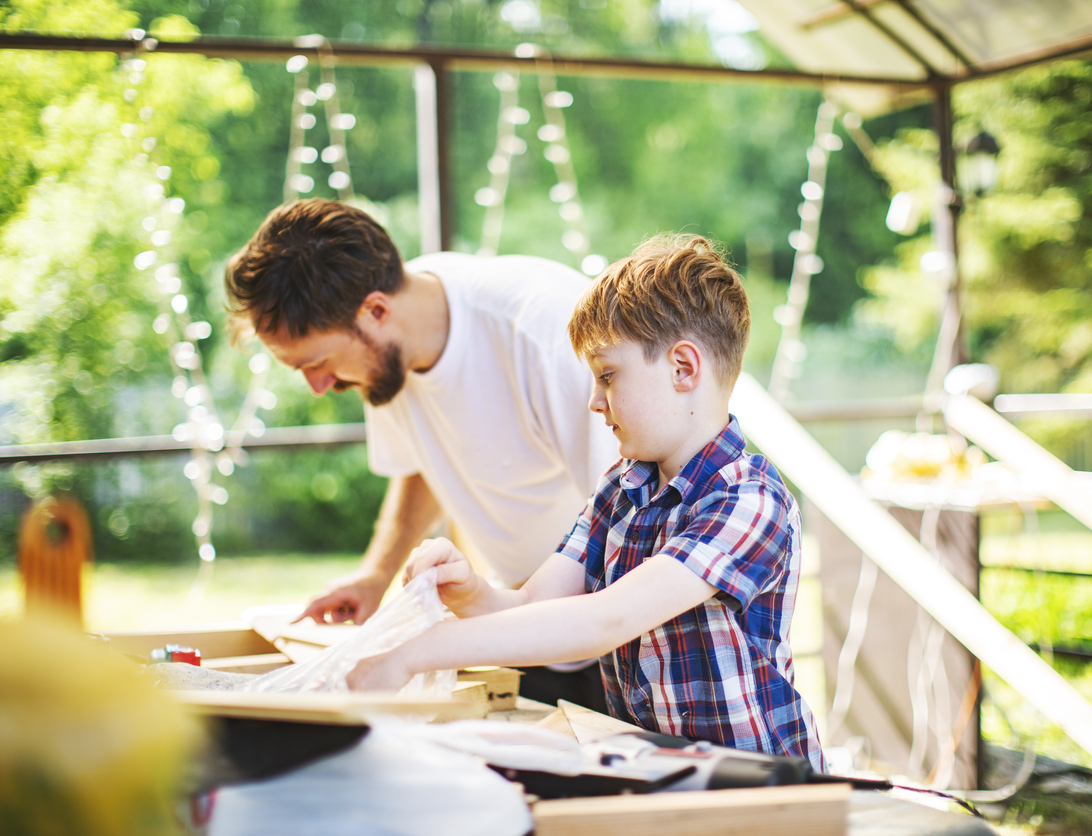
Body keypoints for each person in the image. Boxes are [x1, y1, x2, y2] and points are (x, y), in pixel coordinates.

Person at [346, 234, 824, 768]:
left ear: (683, 368)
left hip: (762, 786)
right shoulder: (619, 489)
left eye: (608, 376)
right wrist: (470, 592)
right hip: (663, 774)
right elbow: (535, 608)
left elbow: (604, 621)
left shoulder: (749, 499)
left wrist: (417, 652)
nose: (595, 401)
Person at [223, 198, 619, 710]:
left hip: (617, 640)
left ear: (376, 310)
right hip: (521, 631)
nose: (319, 386)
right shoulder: (386, 349)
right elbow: (424, 464)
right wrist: (375, 576)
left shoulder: (543, 329)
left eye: (318, 362)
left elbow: (628, 516)